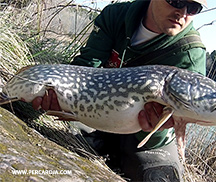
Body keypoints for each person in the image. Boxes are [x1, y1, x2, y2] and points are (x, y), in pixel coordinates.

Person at [32, 0, 207, 181]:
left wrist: (157, 127)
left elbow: (179, 119)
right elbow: (84, 67)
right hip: (98, 114)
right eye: (176, 1)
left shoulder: (191, 55)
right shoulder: (115, 15)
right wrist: (59, 98)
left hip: (147, 141)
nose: (183, 12)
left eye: (193, 8)